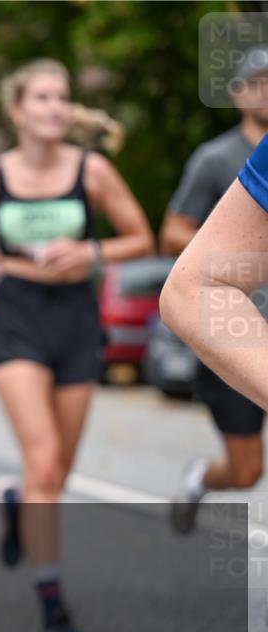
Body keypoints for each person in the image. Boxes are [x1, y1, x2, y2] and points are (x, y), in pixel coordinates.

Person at [0, 58, 154, 632]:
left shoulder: (93, 171)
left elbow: (141, 238)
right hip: (14, 317)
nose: (54, 107)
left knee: (55, 473)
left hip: (74, 319)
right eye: (41, 97)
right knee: (43, 459)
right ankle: (54, 611)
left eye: (62, 97)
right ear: (16, 110)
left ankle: (19, 504)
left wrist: (91, 251)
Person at [158, 47, 268, 533]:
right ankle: (203, 476)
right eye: (258, 81)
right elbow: (172, 235)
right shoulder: (215, 158)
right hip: (234, 322)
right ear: (238, 93)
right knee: (247, 471)